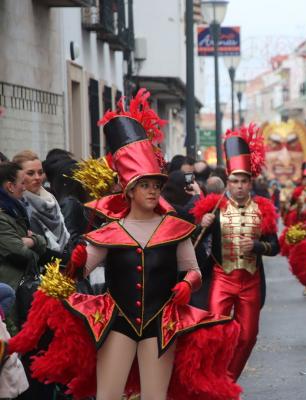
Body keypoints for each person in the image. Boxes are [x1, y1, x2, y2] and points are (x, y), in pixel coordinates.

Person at [2, 89, 241, 400]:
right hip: (117, 323)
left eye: (156, 185)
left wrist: (187, 285)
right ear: (129, 190)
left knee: (156, 396)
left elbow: (193, 272)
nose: (153, 191)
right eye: (145, 185)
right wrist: (74, 261)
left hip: (160, 324)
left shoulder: (175, 229)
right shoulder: (109, 233)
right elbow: (76, 274)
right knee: (108, 396)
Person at [192, 123, 280, 381]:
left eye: (244, 181)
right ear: (228, 182)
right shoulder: (214, 208)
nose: (239, 186)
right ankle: (217, 380)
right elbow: (193, 244)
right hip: (222, 278)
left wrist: (258, 246)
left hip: (250, 281)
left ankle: (227, 382)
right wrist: (202, 225)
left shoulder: (263, 209)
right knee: (215, 332)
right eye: (235, 181)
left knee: (248, 337)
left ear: (250, 183)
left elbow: (276, 247)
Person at [0, 162, 47, 311]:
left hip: (18, 288)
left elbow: (42, 241)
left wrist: (32, 241)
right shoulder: (2, 217)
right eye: (22, 183)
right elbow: (20, 253)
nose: (24, 187)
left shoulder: (15, 211)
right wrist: (36, 245)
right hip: (9, 290)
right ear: (10, 186)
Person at [12, 150, 70, 262]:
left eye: (40, 172)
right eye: (30, 173)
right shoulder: (16, 205)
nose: (37, 177)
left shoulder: (50, 199)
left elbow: (65, 237)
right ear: (17, 176)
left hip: (60, 268)